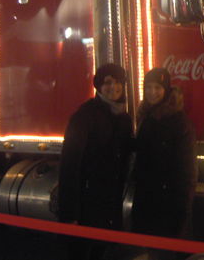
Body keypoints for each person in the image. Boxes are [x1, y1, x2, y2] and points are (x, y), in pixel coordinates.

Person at [58, 63, 133, 260]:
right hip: (86, 203)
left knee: (100, 251)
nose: (114, 87)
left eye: (118, 82)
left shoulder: (123, 118)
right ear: (98, 86)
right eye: (108, 82)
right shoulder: (84, 116)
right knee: (81, 251)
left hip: (109, 201)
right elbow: (69, 165)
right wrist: (69, 212)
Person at [132, 68, 198, 244]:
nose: (152, 92)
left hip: (168, 205)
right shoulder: (145, 116)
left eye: (157, 88)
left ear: (166, 90)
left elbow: (187, 172)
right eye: (148, 87)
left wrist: (182, 212)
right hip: (146, 201)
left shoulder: (180, 123)